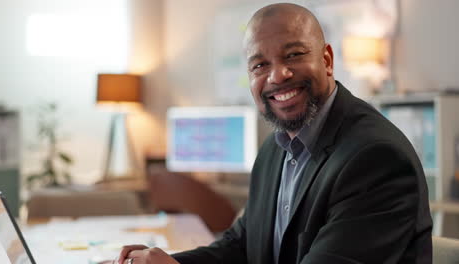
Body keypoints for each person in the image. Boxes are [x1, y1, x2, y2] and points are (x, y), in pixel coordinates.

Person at [116, 3, 432, 264]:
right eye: (259, 65)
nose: (277, 75)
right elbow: (243, 244)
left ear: (327, 60)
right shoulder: (275, 148)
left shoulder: (374, 158)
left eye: (293, 55)